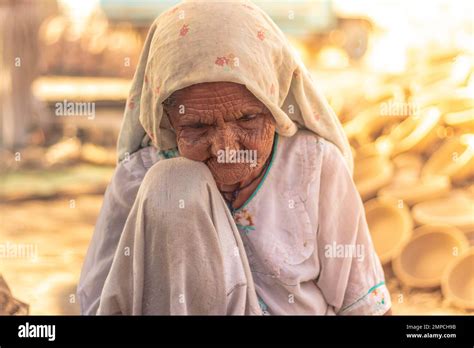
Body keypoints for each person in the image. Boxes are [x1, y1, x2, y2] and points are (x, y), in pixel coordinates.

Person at [78, 0, 392, 315]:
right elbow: (99, 303)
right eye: (198, 127)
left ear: (275, 107)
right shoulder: (142, 173)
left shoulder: (314, 166)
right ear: (167, 122)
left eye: (247, 119)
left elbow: (363, 303)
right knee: (174, 183)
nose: (226, 149)